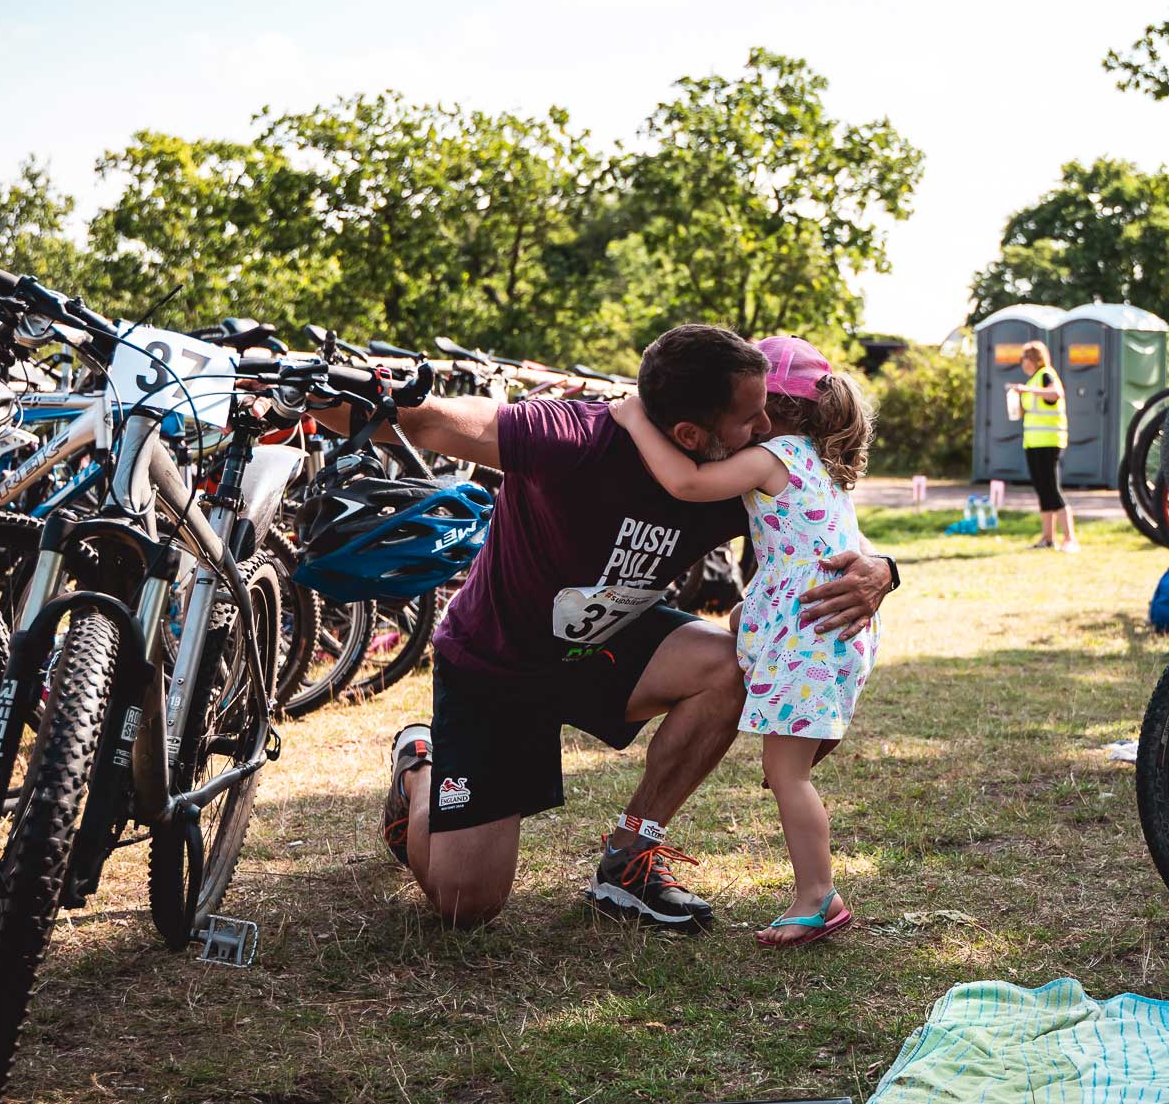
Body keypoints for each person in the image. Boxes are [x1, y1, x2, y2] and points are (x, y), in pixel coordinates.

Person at [327, 324, 898, 932]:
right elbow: (437, 420)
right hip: (497, 664)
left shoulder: (742, 469)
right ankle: (419, 764)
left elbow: (837, 541)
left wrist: (883, 571)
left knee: (732, 663)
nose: (766, 430)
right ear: (689, 435)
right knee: (467, 902)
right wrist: (301, 395)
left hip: (603, 645)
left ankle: (630, 859)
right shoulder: (576, 435)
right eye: (751, 419)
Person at [610, 336, 876, 947]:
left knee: (787, 776)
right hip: (823, 630)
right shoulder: (821, 464)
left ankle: (818, 897)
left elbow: (686, 482)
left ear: (774, 408)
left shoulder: (772, 456)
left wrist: (632, 417)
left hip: (807, 631)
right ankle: (815, 872)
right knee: (784, 751)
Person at [1005, 339, 1078, 552]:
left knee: (1053, 489)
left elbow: (1056, 394)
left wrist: (1027, 390)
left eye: (1024, 359)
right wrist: (1017, 399)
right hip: (1034, 443)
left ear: (1035, 359)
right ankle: (1048, 538)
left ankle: (1070, 539)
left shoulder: (1046, 375)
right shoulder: (1033, 381)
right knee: (1042, 490)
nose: (1021, 363)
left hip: (1049, 441)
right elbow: (1025, 413)